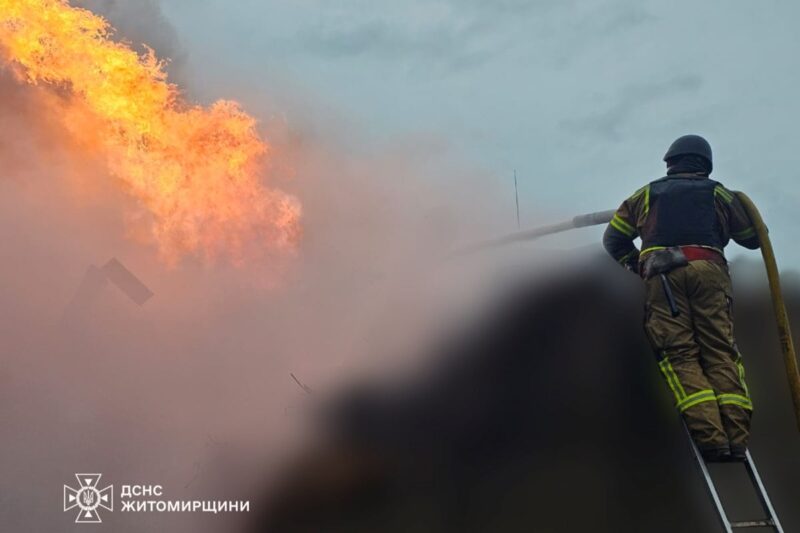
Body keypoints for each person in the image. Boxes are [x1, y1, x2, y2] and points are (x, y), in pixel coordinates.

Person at [603, 134, 760, 462]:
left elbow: (614, 237)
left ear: (670, 163)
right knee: (720, 352)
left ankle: (711, 439)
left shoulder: (647, 194)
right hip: (710, 272)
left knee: (681, 355)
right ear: (705, 164)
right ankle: (736, 438)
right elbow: (752, 238)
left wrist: (637, 266)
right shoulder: (720, 193)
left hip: (663, 275)